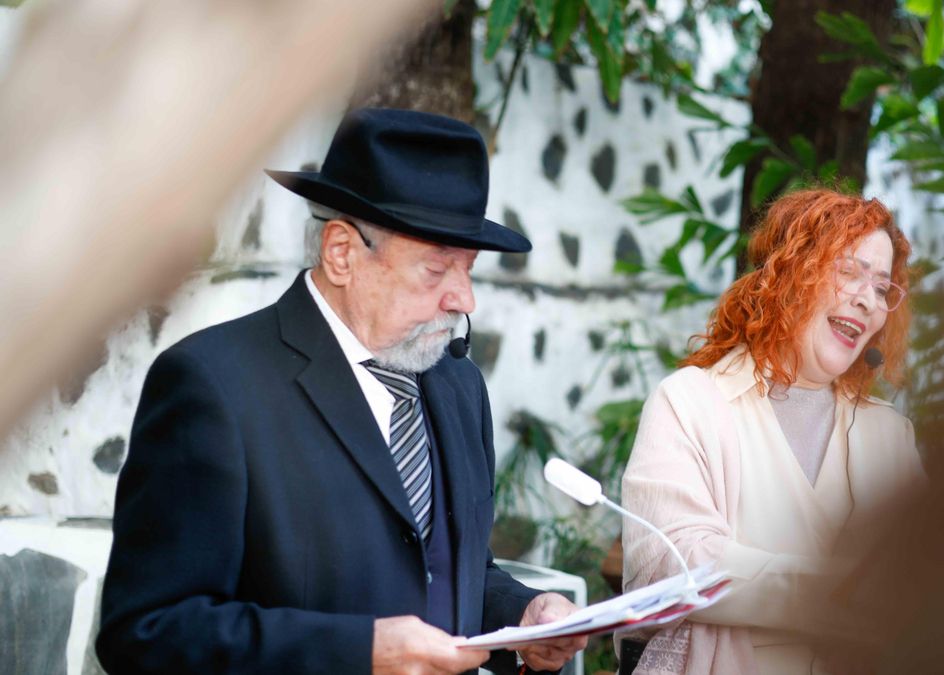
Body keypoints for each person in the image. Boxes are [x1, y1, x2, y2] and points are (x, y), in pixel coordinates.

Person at [97, 108, 587, 675]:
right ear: (341, 253)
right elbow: (147, 633)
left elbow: (449, 569)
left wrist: (519, 613)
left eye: (468, 269)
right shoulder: (212, 386)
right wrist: (360, 652)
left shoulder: (459, 385)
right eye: (435, 271)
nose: (464, 299)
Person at [620, 189, 925, 675]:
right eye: (849, 271)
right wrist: (837, 593)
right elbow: (669, 566)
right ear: (789, 273)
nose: (868, 299)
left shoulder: (891, 433)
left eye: (882, 288)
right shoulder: (689, 401)